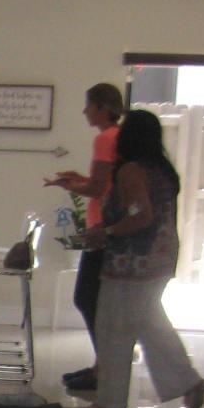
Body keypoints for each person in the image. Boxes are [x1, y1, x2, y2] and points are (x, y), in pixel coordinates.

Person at [80, 109, 204, 408]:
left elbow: (141, 216)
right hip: (160, 257)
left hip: (132, 261)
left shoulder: (132, 171)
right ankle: (188, 382)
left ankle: (111, 399)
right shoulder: (162, 170)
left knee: (114, 328)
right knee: (150, 324)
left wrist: (104, 232)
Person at [44, 83, 125, 391]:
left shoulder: (105, 138)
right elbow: (104, 183)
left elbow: (97, 189)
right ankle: (101, 366)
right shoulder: (117, 138)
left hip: (101, 230)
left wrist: (70, 186)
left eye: (88, 105)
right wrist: (77, 179)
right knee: (94, 300)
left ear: (102, 107)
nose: (84, 112)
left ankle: (105, 367)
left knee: (87, 298)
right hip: (105, 228)